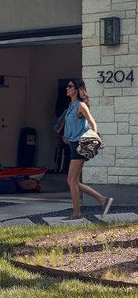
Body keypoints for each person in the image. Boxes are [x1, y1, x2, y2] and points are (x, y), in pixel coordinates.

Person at [61, 78, 112, 220]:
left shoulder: (80, 105)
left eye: (70, 86)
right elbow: (71, 125)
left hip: (79, 147)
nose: (67, 88)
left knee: (71, 181)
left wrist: (94, 138)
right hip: (71, 145)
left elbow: (92, 122)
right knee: (74, 181)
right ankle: (102, 200)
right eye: (67, 86)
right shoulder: (71, 105)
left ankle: (77, 213)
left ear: (76, 90)